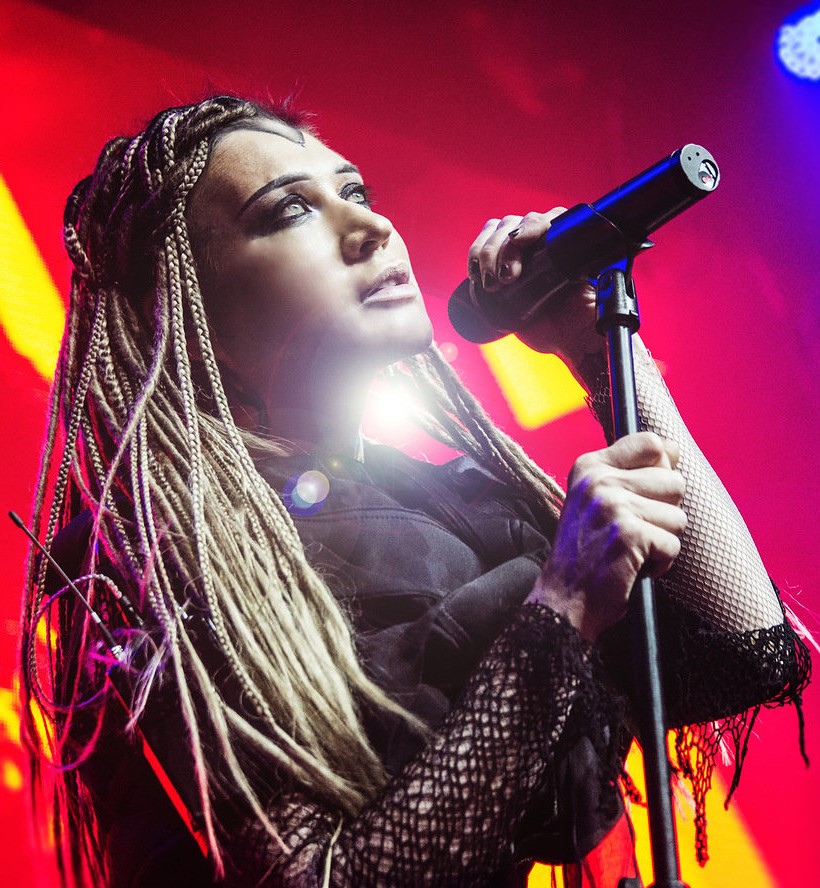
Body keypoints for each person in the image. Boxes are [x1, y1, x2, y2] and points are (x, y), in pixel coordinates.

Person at [19, 95, 809, 888]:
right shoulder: (154, 558)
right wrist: (563, 608)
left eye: (355, 191)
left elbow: (749, 654)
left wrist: (594, 345)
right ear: (185, 308)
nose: (369, 226)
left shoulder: (467, 508)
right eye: (290, 209)